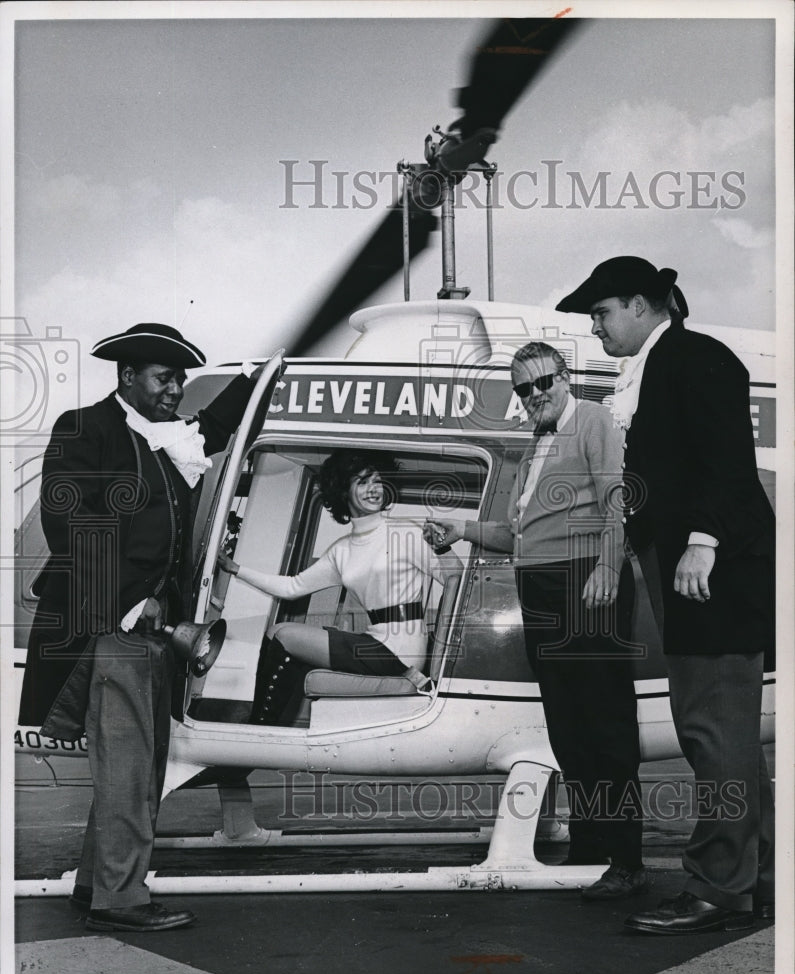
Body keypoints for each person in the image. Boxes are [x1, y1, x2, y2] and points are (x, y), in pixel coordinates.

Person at [18, 323, 264, 933]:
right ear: (127, 376)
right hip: (113, 626)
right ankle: (122, 899)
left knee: (138, 767)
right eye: (164, 377)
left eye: (180, 379)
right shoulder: (86, 428)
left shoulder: (167, 438)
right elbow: (70, 524)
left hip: (155, 632)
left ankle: (95, 886)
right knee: (129, 767)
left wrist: (259, 376)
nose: (175, 389)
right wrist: (133, 606)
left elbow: (217, 424)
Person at [556, 255, 775, 934]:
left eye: (601, 312)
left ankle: (716, 886)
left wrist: (702, 541)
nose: (594, 328)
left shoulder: (693, 357)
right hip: (689, 566)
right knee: (723, 732)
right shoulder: (656, 367)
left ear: (643, 305)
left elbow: (728, 464)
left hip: (710, 572)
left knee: (711, 731)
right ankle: (755, 876)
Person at [424, 341, 645, 900]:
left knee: (604, 720)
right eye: (524, 389)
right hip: (542, 585)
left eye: (543, 382)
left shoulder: (593, 419)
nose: (535, 395)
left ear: (564, 377)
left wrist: (608, 566)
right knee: (569, 725)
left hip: (583, 581)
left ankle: (627, 857)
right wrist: (461, 529)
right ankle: (592, 844)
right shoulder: (535, 444)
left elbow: (618, 498)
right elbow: (516, 535)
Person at [218, 449, 462, 725]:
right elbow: (292, 587)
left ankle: (260, 727)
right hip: (374, 643)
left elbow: (456, 577)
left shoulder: (407, 532)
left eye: (376, 480)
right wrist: (236, 569)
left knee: (281, 635)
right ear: (343, 492)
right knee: (283, 637)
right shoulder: (341, 551)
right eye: (362, 482)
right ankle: (268, 728)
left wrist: (440, 649)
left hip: (400, 649)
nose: (373, 489)